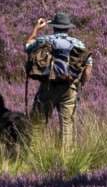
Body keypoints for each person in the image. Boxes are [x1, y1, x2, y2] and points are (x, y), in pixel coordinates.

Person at [24, 12, 93, 155]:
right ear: (68, 28)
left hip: (47, 87)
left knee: (38, 122)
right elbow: (88, 68)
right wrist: (80, 84)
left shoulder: (44, 40)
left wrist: (37, 29)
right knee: (67, 124)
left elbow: (27, 46)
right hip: (69, 88)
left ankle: (34, 156)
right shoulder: (78, 44)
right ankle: (66, 158)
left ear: (54, 26)